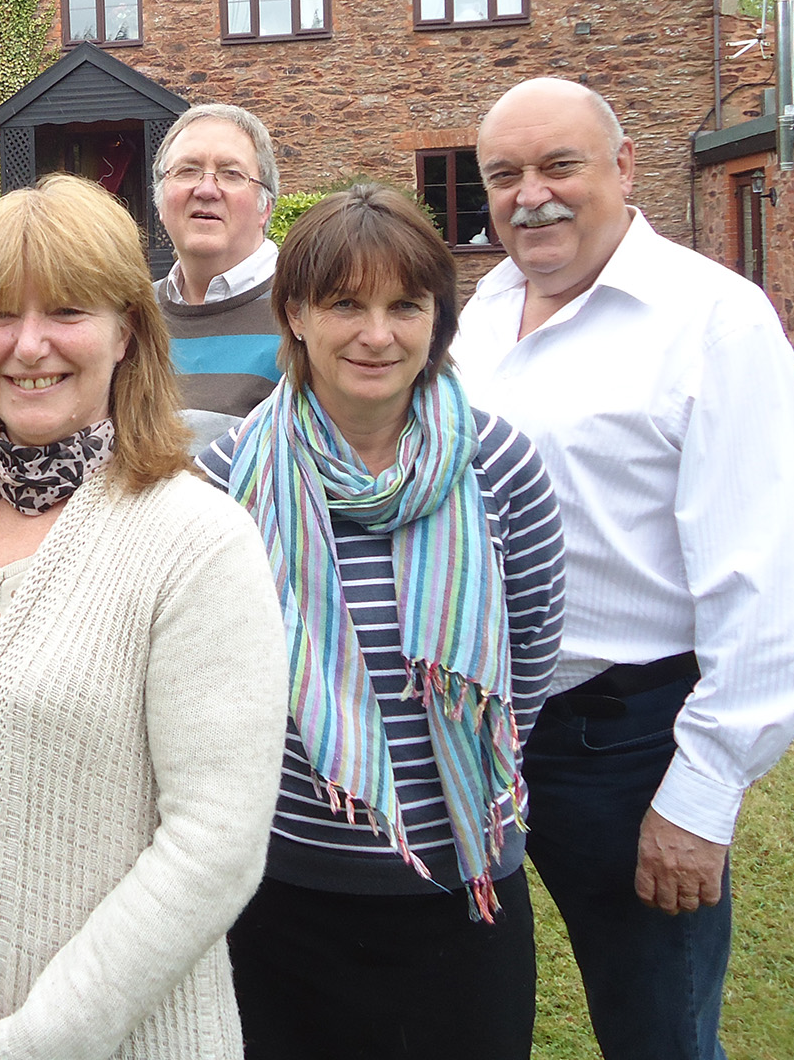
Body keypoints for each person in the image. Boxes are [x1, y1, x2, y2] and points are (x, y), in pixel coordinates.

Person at [0, 174, 290, 1060]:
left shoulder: (196, 541)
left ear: (128, 333)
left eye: (68, 312)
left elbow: (214, 843)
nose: (28, 345)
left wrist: (27, 1042)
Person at [450, 77, 794, 1060]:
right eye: (504, 174)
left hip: (624, 750)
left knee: (654, 1032)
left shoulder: (712, 322)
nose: (530, 194)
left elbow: (773, 582)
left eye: (559, 166)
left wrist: (702, 794)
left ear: (624, 168)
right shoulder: (481, 318)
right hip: (472, 736)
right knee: (461, 1010)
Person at [196, 184, 566, 1059]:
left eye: (405, 305)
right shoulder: (223, 481)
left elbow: (531, 671)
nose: (376, 333)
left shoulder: (501, 463)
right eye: (344, 304)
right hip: (283, 897)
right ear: (294, 313)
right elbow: (205, 686)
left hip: (463, 893)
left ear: (438, 320)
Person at [151, 104, 285, 450]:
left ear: (265, 207)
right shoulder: (131, 317)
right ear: (160, 204)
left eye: (231, 174)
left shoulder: (308, 312)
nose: (207, 189)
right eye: (187, 170)